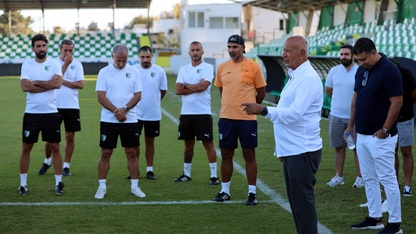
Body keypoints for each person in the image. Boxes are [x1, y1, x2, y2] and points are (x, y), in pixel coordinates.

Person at [242, 35, 323, 233]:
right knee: (297, 204)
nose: (283, 55)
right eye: (284, 50)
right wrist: (283, 149)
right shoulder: (297, 74)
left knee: (302, 205)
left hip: (302, 151)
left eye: (288, 51)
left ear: (302, 53)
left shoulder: (308, 78)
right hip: (293, 150)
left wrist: (263, 110)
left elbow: (295, 114)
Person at [347, 38, 403, 233]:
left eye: (363, 59)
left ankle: (395, 224)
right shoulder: (361, 69)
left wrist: (385, 130)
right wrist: (351, 125)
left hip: (381, 137)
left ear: (373, 52)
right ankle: (375, 217)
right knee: (369, 178)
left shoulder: (389, 69)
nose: (361, 64)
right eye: (358, 60)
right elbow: (356, 97)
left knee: (387, 179)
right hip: (362, 135)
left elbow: (397, 102)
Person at [213, 34, 266, 206]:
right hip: (226, 118)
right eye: (229, 47)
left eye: (235, 47)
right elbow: (222, 91)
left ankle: (252, 193)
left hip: (247, 119)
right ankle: (225, 191)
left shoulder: (253, 67)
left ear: (243, 48)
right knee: (226, 154)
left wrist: (252, 107)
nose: (231, 50)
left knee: (249, 155)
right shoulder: (222, 67)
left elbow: (262, 92)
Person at [94, 44, 145, 199]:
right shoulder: (104, 72)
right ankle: (101, 187)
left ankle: (135, 186)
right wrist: (117, 111)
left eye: (124, 60)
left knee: (131, 153)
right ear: (113, 57)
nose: (121, 63)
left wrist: (125, 110)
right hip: (109, 120)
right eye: (118, 60)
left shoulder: (134, 72)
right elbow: (101, 96)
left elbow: (138, 95)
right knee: (105, 153)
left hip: (130, 120)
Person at [19, 34, 65, 195]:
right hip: (32, 114)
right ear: (33, 48)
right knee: (26, 148)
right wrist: (48, 84)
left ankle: (59, 183)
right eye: (38, 46)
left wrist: (36, 82)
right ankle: (23, 184)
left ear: (47, 47)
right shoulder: (27, 65)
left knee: (55, 147)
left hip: (51, 114)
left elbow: (58, 84)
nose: (41, 48)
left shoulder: (54, 64)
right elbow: (25, 87)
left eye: (44, 45)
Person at [174, 41, 219, 185]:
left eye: (197, 50)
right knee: (188, 145)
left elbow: (203, 86)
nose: (195, 52)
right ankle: (186, 174)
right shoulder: (183, 69)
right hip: (186, 113)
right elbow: (178, 90)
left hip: (203, 112)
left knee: (208, 144)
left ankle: (213, 176)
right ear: (189, 53)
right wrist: (195, 86)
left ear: (202, 52)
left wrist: (186, 85)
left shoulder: (207, 68)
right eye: (192, 50)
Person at [38, 39, 84, 176]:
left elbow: (80, 85)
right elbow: (53, 80)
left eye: (70, 50)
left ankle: (66, 166)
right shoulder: (53, 63)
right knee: (50, 139)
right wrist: (65, 65)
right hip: (53, 105)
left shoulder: (78, 65)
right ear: (60, 49)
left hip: (72, 106)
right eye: (65, 50)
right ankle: (47, 161)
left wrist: (62, 81)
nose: (68, 53)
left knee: (70, 137)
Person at [324, 44, 363, 188]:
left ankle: (360, 177)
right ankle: (339, 176)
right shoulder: (334, 71)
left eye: (346, 54)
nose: (343, 57)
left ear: (353, 55)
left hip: (356, 117)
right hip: (335, 116)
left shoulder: (360, 71)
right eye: (341, 54)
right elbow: (328, 90)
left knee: (358, 148)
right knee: (339, 147)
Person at [132, 45, 168, 180]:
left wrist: (154, 101)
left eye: (147, 57)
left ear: (152, 56)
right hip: (135, 113)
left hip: (153, 113)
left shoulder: (159, 71)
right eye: (142, 57)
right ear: (139, 57)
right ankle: (135, 168)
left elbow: (162, 91)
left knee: (150, 141)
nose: (145, 59)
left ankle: (149, 169)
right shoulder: (134, 70)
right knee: (134, 142)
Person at [393, 62, 416, 196]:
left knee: (406, 150)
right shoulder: (377, 74)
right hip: (388, 120)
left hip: (405, 118)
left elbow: (414, 94)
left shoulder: (405, 73)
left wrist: (405, 107)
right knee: (391, 152)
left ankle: (407, 185)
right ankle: (394, 183)